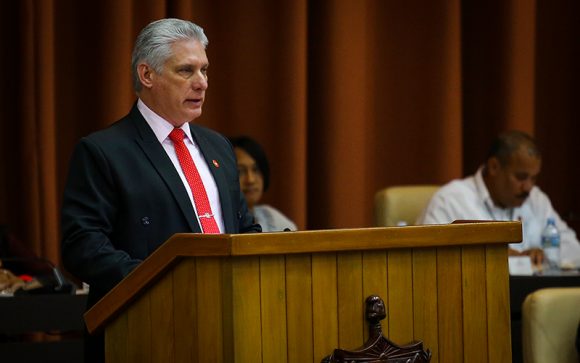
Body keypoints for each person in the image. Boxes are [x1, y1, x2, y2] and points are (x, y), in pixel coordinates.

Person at [60, 18, 260, 362]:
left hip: (229, 324)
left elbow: (243, 228)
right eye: (186, 71)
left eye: (205, 70)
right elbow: (83, 246)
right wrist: (163, 284)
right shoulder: (104, 151)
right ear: (147, 75)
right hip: (146, 331)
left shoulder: (219, 147)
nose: (202, 83)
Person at [417, 130, 580, 269]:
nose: (528, 187)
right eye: (521, 177)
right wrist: (492, 258)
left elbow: (574, 251)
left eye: (534, 178)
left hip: (532, 299)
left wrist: (545, 256)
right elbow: (426, 263)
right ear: (494, 167)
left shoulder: (537, 199)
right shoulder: (450, 201)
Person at [229, 136, 297, 232]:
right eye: (240, 171)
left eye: (255, 170)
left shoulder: (273, 219)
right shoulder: (219, 222)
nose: (250, 180)